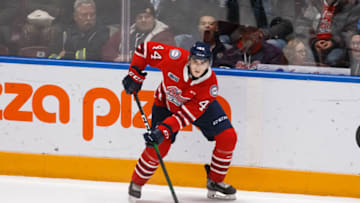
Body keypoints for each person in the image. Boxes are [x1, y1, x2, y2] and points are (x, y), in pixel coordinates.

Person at [122, 41, 238, 201]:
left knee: (228, 136)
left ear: (209, 63)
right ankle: (137, 183)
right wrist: (135, 74)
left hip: (197, 108)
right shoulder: (174, 58)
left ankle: (215, 181)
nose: (198, 67)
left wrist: (162, 131)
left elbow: (185, 116)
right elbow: (144, 49)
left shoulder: (209, 86)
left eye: (203, 62)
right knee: (158, 147)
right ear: (189, 60)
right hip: (165, 104)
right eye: (195, 61)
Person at [102, 0, 175, 62]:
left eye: (147, 17)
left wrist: (131, 57)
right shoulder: (125, 32)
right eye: (140, 17)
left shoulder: (164, 35)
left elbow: (161, 55)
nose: (143, 20)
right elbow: (107, 50)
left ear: (154, 18)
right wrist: (117, 58)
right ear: (135, 20)